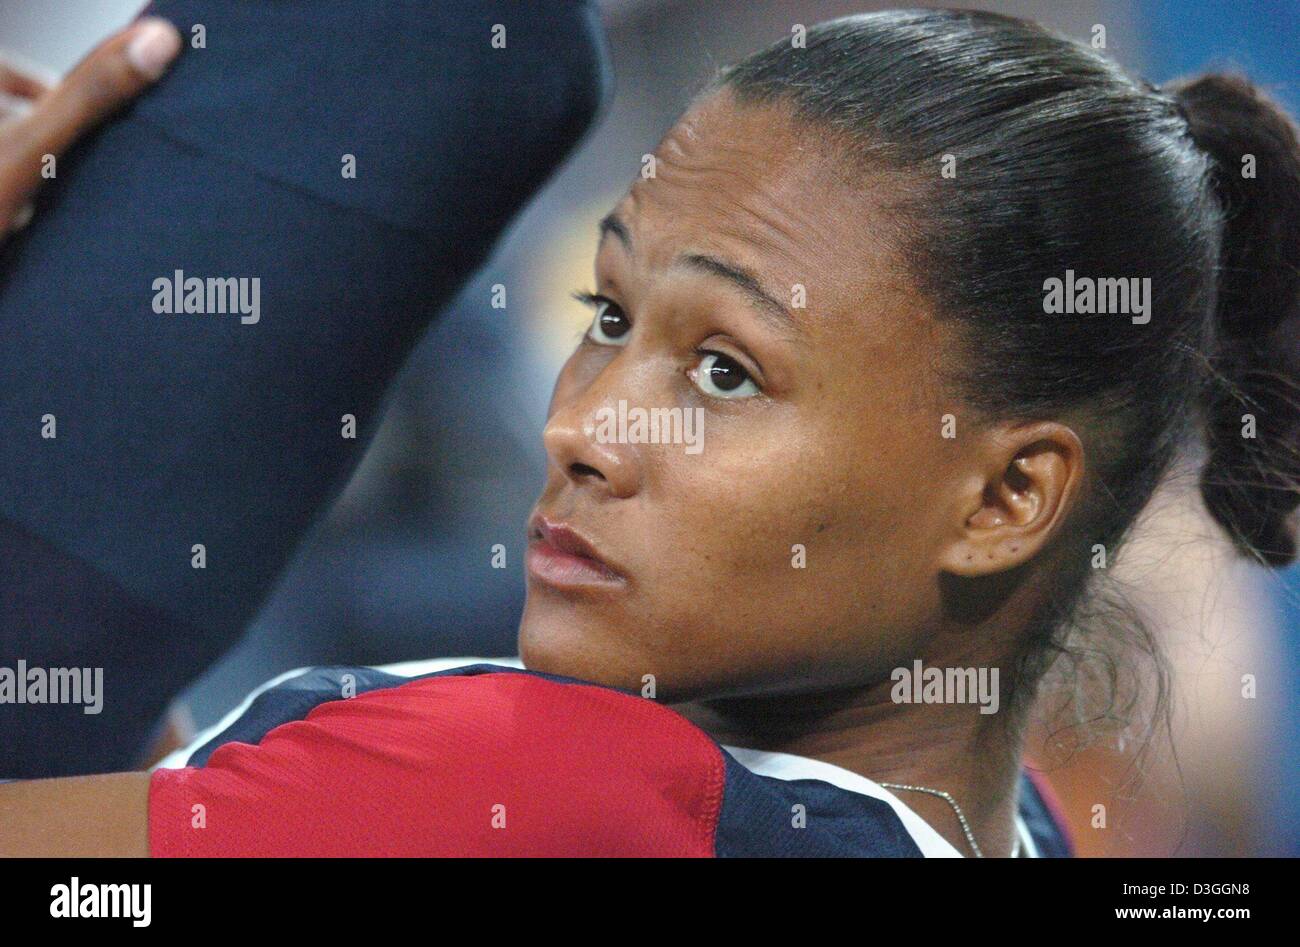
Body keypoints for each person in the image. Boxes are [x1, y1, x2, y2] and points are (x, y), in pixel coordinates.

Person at [1, 8, 1296, 857]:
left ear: (1005, 498)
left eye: (726, 372)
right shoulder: (1023, 828)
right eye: (606, 312)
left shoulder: (548, 789)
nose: (579, 428)